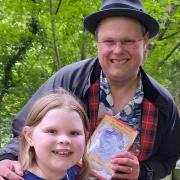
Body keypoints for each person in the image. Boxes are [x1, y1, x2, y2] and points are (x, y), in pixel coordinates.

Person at [0, 0, 180, 179]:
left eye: (128, 41)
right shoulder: (68, 80)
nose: (118, 50)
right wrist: (6, 158)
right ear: (97, 43)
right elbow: (24, 130)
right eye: (109, 41)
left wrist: (143, 172)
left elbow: (168, 157)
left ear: (145, 41)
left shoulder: (162, 102)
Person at [20, 88, 89, 179]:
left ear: (86, 137)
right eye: (52, 131)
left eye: (74, 133)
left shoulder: (78, 173)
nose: (65, 140)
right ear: (29, 136)